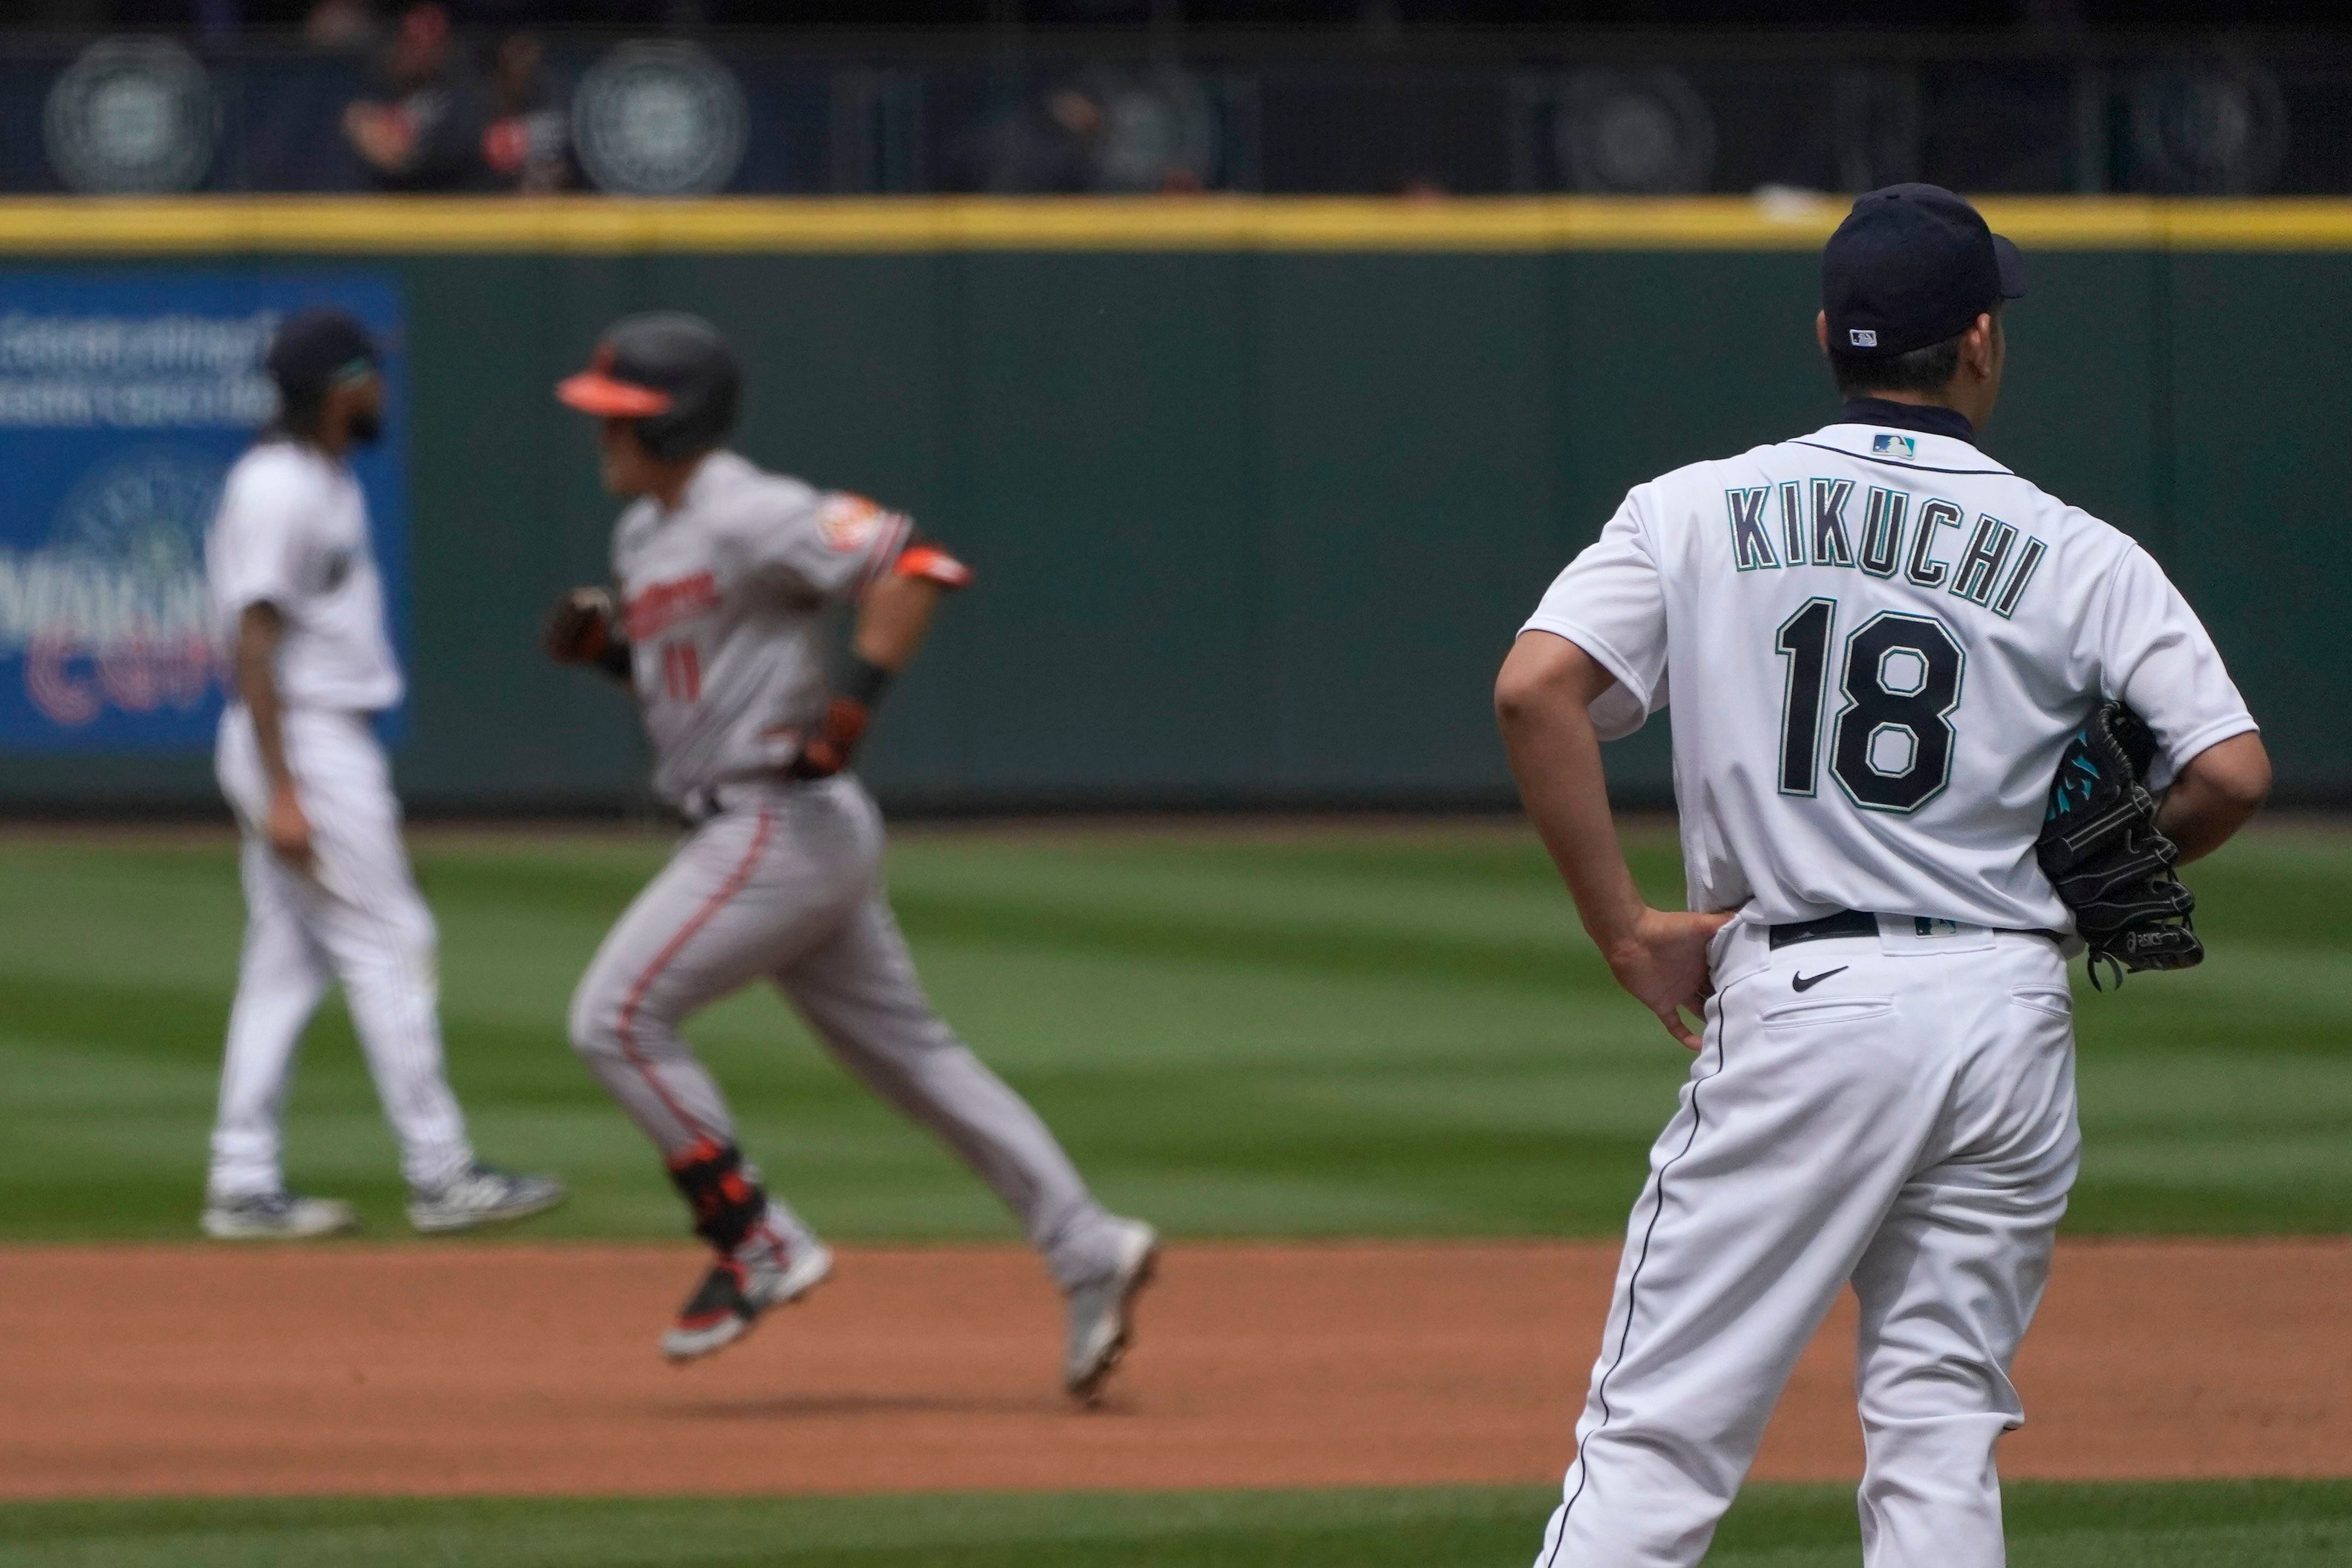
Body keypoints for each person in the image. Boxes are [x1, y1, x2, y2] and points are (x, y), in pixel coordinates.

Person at [1494, 183, 2270, 1566]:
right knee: (1940, 1432)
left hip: (1808, 997)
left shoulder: (1693, 509)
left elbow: (1536, 690)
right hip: (2005, 1010)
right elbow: (2230, 773)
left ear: (1825, 337)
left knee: (1660, 1438)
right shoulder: (2080, 549)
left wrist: (1625, 932)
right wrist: (2117, 862)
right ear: (1980, 341)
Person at [542, 313, 1157, 1400]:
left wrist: (850, 715)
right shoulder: (647, 533)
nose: (604, 437)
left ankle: (755, 1237)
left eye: (623, 418)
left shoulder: (748, 508)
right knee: (917, 1059)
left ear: (676, 422)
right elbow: (696, 685)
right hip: (771, 827)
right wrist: (612, 656)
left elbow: (913, 564)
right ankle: (1086, 1244)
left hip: (775, 823)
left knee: (615, 1015)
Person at [202, 307, 566, 1240]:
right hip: (304, 740)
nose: (383, 389)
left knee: (288, 959)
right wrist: (284, 789)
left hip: (318, 737)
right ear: (337, 390)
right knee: (392, 937)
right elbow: (254, 642)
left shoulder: (323, 475)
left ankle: (242, 1180)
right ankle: (441, 1173)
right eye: (371, 374)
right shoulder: (277, 487)